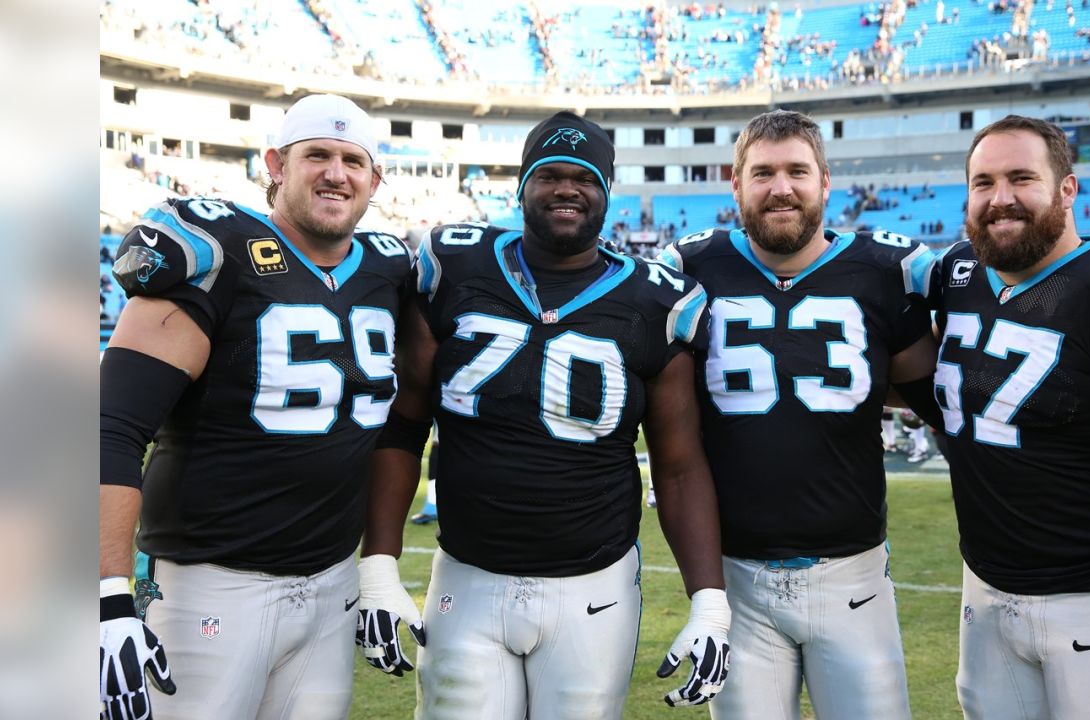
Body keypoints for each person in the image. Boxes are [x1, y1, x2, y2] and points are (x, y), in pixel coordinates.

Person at [358, 111, 731, 719]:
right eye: (549, 175)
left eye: (584, 178)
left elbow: (680, 464)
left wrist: (708, 600)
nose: (566, 189)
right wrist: (378, 565)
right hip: (465, 573)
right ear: (522, 186)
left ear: (606, 193)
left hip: (594, 584)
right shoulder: (456, 265)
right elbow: (403, 425)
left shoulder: (656, 299)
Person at [99, 94, 419, 719]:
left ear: (375, 181)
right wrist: (108, 597)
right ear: (275, 163)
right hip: (208, 586)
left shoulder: (388, 269)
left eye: (353, 160)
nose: (336, 173)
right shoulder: (216, 254)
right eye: (316, 155)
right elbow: (109, 428)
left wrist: (377, 570)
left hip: (331, 586)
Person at [656, 109, 941, 720]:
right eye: (761, 173)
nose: (780, 188)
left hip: (854, 576)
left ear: (825, 182)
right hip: (736, 577)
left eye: (796, 172)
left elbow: (939, 401)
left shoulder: (884, 272)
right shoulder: (689, 269)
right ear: (735, 185)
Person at [924, 114, 1090, 719]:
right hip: (984, 592)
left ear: (1067, 189)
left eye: (1021, 178)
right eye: (983, 183)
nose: (1000, 199)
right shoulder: (960, 274)